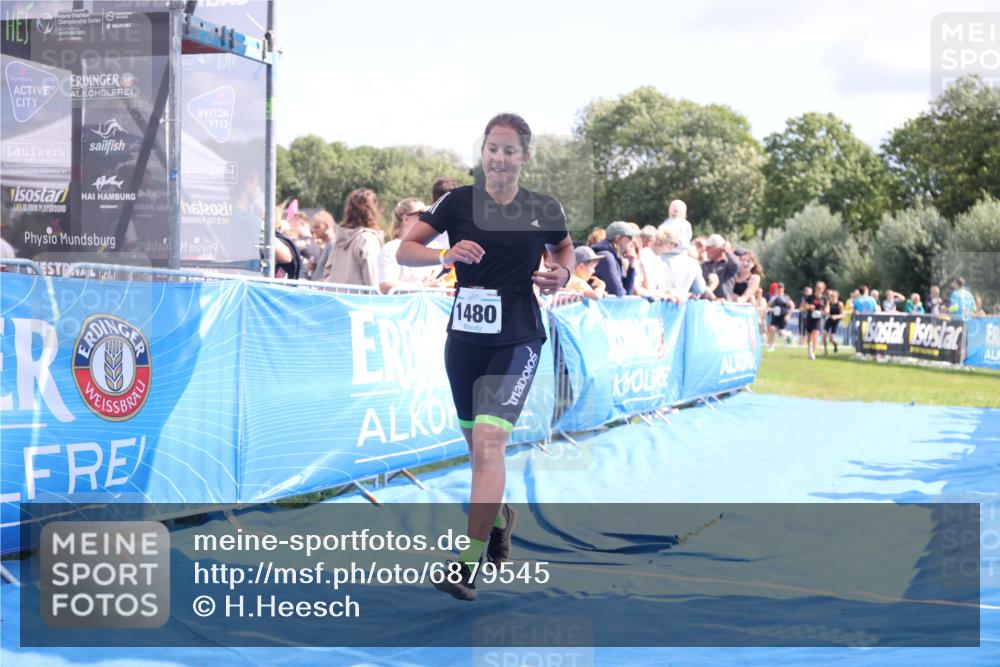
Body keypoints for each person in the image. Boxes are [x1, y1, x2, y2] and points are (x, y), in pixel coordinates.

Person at [396, 113, 573, 601]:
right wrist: (443, 257)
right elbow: (405, 250)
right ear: (483, 153)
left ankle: (467, 565)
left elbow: (564, 250)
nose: (499, 157)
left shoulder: (542, 207)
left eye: (509, 150)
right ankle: (500, 520)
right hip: (465, 338)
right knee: (479, 453)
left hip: (517, 336)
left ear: (525, 157)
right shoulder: (457, 202)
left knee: (490, 447)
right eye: (492, 149)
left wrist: (562, 275)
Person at [378, 198, 442, 294]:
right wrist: (423, 286)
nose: (426, 218)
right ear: (406, 219)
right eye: (421, 214)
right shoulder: (391, 248)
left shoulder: (434, 245)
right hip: (404, 307)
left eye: (428, 214)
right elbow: (386, 285)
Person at [324, 188, 383, 287]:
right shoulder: (367, 239)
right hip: (359, 301)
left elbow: (327, 272)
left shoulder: (339, 239)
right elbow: (373, 279)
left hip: (338, 298)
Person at [591, 221, 638, 297]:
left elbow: (627, 292)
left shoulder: (615, 257)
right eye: (630, 237)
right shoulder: (606, 257)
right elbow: (619, 294)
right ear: (617, 239)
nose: (633, 241)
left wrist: (631, 266)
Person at [657, 228, 706, 298]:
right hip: (680, 305)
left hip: (656, 304)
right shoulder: (693, 263)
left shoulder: (657, 257)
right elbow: (700, 289)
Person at [700, 234, 739, 300]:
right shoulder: (704, 265)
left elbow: (736, 264)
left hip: (723, 306)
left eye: (708, 248)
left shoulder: (728, 266)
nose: (705, 250)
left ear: (717, 249)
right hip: (706, 304)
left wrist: (726, 250)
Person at [802, 281, 827, 360]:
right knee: (809, 335)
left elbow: (827, 307)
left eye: (820, 288)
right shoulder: (810, 297)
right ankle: (809, 348)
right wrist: (809, 306)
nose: (818, 289)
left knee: (816, 334)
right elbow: (804, 306)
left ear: (823, 290)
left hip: (819, 318)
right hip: (810, 317)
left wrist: (825, 311)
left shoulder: (824, 298)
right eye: (817, 288)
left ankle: (813, 353)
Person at [766, 283, 795, 351]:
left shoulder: (786, 297)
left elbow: (792, 306)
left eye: (781, 288)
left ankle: (789, 335)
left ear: (783, 289)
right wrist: (765, 311)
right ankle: (772, 346)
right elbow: (769, 305)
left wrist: (788, 315)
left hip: (783, 316)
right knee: (772, 329)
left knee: (781, 332)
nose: (779, 289)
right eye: (778, 288)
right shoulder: (774, 297)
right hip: (775, 316)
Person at [309, 211, 335, 281]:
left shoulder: (332, 245)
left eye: (317, 227)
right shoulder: (327, 244)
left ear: (327, 226)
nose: (314, 230)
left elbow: (334, 270)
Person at [823, 289, 844, 354]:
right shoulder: (829, 303)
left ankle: (835, 344)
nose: (831, 297)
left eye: (833, 296)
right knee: (824, 336)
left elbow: (843, 314)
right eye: (831, 296)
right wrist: (826, 311)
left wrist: (836, 316)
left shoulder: (840, 304)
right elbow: (827, 310)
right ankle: (825, 351)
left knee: (831, 339)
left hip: (836, 321)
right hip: (829, 320)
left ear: (837, 296)